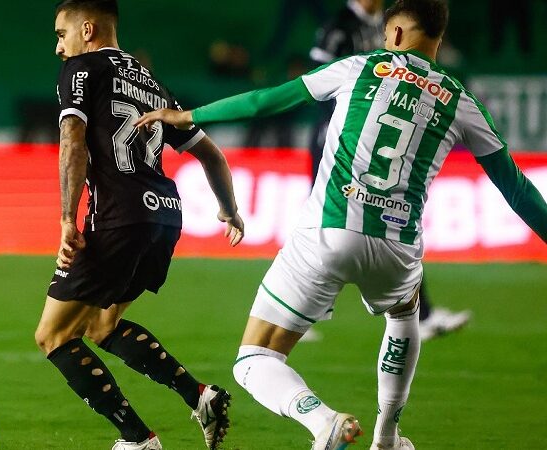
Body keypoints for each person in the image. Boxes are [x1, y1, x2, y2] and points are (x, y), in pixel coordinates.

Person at [136, 0, 547, 448]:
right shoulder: (462, 101)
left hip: (328, 231)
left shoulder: (359, 66)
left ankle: (321, 420)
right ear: (439, 40)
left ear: (392, 34)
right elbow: (517, 189)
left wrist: (189, 115)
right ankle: (387, 436)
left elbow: (264, 101)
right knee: (405, 308)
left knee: (253, 358)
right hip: (396, 246)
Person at [34, 1, 245, 450]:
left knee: (53, 336)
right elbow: (211, 153)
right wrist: (229, 208)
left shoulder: (81, 69)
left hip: (119, 215)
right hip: (165, 214)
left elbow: (72, 141)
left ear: (86, 29)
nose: (58, 47)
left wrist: (67, 219)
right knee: (101, 326)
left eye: (60, 34)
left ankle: (138, 440)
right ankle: (200, 396)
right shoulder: (150, 82)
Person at [309, 0, 470, 342]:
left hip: (374, 143)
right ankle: (303, 313)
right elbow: (318, 83)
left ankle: (422, 313)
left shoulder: (381, 23)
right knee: (325, 225)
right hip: (339, 142)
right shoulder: (340, 25)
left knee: (394, 223)